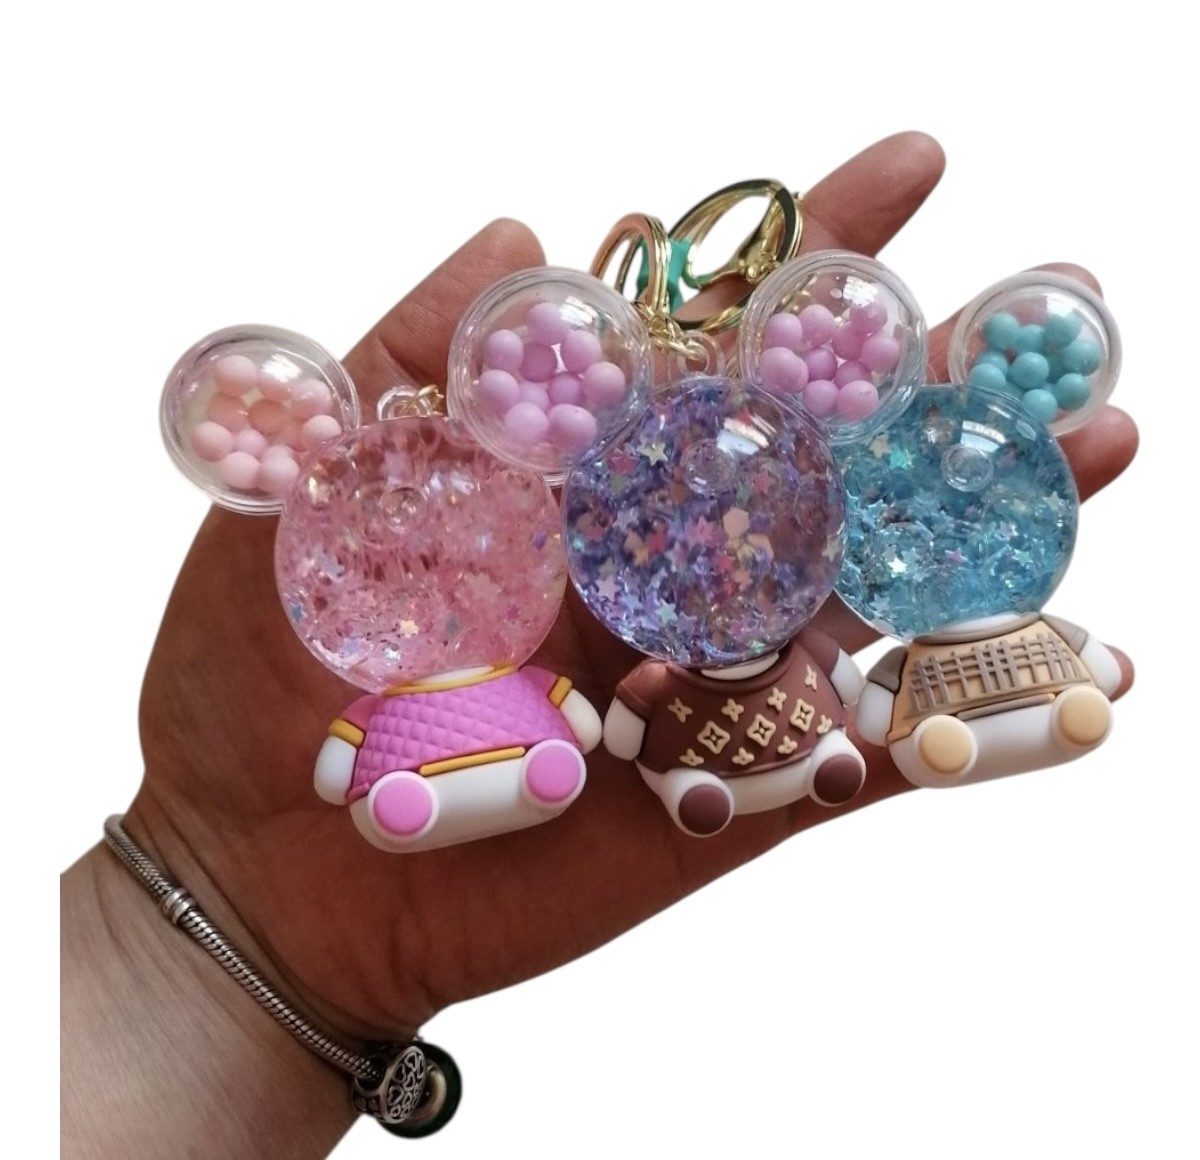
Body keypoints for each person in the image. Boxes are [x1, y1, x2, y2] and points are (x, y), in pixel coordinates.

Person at [60, 132, 1137, 1159]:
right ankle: (546, 776)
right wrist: (226, 900)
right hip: (496, 726)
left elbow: (698, 690)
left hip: (741, 687)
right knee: (682, 736)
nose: (412, 548)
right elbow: (601, 705)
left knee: (801, 719)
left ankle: (777, 753)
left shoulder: (810, 475)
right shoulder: (443, 519)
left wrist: (215, 926)